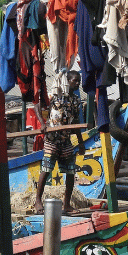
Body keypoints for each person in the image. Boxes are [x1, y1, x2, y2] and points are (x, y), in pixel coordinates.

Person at [34, 72, 83, 215]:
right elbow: (37, 106)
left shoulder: (75, 100)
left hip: (65, 140)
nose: (78, 83)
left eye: (79, 81)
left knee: (70, 171)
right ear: (67, 81)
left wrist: (80, 142)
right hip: (51, 140)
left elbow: (75, 122)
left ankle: (66, 204)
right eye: (75, 81)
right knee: (46, 169)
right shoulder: (55, 95)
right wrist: (42, 123)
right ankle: (38, 201)